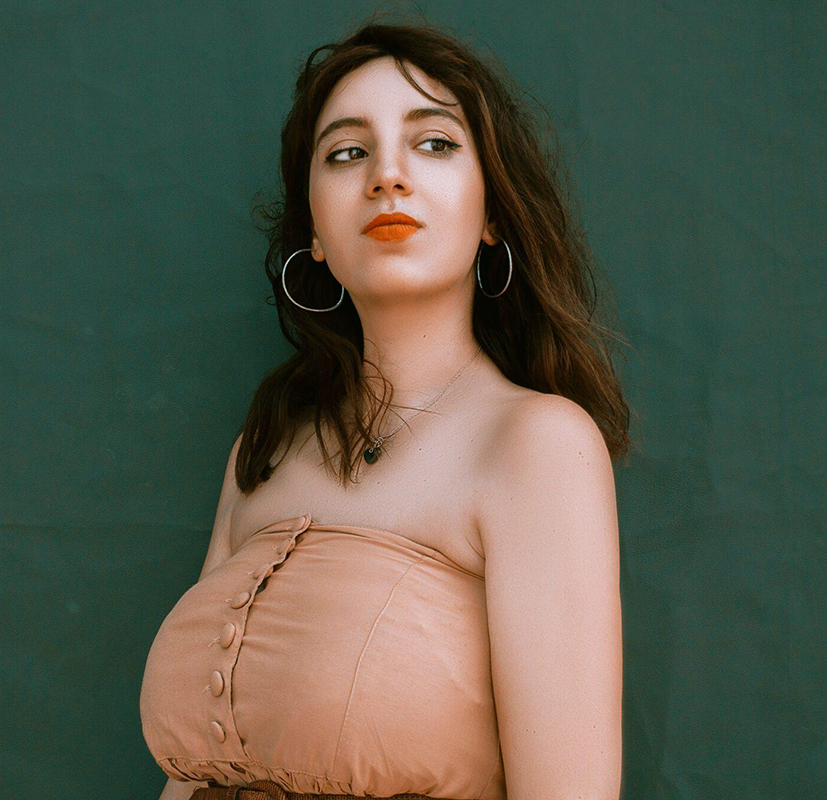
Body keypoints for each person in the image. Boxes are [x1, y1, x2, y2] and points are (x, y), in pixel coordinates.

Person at [141, 17, 632, 800]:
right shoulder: (264, 448)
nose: (387, 176)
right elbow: (187, 777)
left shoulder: (535, 446)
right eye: (347, 152)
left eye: (433, 143)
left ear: (492, 211)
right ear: (314, 232)